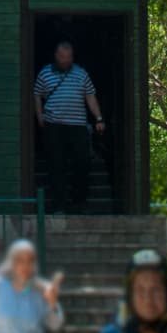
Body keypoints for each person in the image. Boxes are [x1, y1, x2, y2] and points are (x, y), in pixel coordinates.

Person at [33, 40, 105, 215]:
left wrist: (99, 118)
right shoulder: (45, 73)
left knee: (83, 162)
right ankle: (59, 206)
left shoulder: (81, 74)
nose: (65, 60)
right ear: (56, 56)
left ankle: (79, 202)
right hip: (54, 126)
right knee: (56, 166)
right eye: (62, 57)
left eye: (69, 57)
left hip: (77, 126)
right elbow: (37, 95)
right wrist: (39, 116)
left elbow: (90, 96)